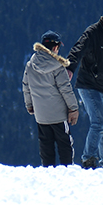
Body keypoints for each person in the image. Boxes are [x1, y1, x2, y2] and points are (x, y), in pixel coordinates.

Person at [67, 1, 103, 168]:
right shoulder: (92, 32)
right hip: (88, 84)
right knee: (99, 122)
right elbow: (78, 48)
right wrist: (70, 67)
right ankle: (88, 158)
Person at [23, 30, 80, 166]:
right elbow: (66, 89)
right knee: (65, 145)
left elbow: (26, 87)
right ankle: (67, 171)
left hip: (41, 115)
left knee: (45, 146)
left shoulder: (30, 65)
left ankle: (47, 172)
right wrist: (73, 108)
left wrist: (29, 105)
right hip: (59, 116)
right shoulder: (58, 66)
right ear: (55, 48)